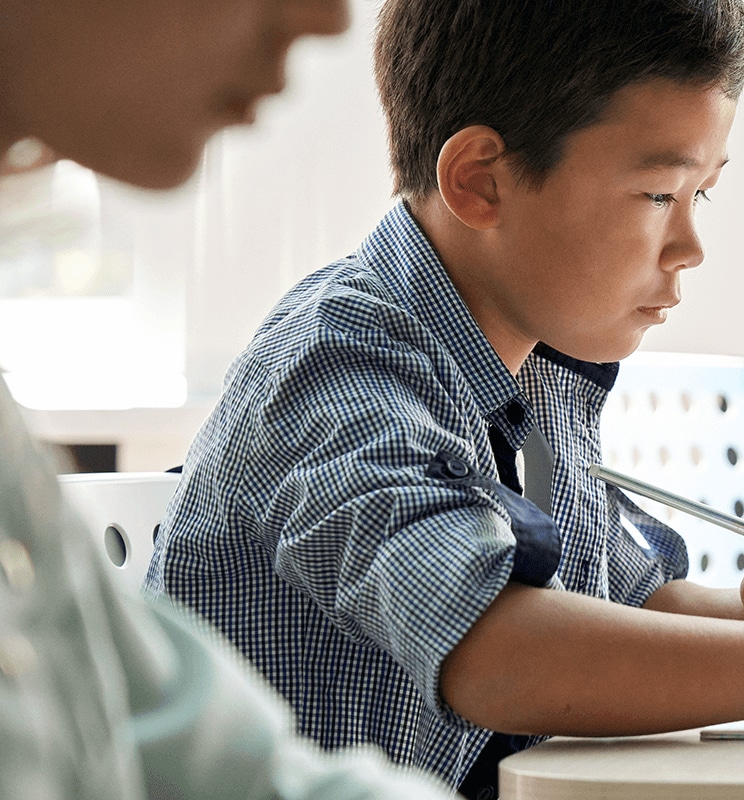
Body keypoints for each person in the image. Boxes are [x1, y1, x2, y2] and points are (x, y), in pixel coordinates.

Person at [143, 1, 744, 796]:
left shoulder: (534, 376)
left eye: (703, 191)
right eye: (660, 192)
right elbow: (497, 651)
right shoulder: (337, 365)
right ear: (479, 181)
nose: (692, 245)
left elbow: (630, 603)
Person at [0, 0, 456, 796]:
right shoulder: (343, 348)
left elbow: (220, 764)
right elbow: (474, 634)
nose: (327, 21)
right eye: (660, 193)